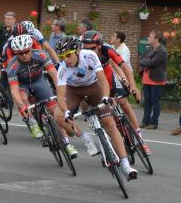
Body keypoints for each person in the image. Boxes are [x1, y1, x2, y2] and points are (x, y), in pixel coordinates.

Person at [56, 37, 138, 180]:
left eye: (68, 55)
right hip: (73, 91)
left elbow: (102, 79)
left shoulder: (90, 56)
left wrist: (106, 96)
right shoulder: (63, 68)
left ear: (77, 51)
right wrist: (67, 112)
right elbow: (61, 95)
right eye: (62, 56)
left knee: (109, 123)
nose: (66, 59)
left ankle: (125, 165)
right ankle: (85, 137)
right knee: (58, 116)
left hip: (93, 88)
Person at [138, 31, 168, 130]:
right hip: (147, 78)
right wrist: (146, 62)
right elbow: (141, 60)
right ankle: (145, 121)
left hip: (156, 79)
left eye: (150, 37)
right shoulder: (148, 48)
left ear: (156, 39)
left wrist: (145, 62)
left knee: (155, 101)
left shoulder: (162, 51)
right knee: (147, 101)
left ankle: (154, 122)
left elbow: (152, 63)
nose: (148, 38)